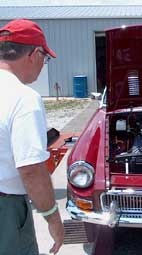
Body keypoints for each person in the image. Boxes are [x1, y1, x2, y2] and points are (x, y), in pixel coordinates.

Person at [0, 19, 64, 254]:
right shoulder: (23, 98)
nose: (43, 65)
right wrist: (52, 218)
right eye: (45, 59)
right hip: (5, 210)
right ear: (35, 54)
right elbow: (31, 169)